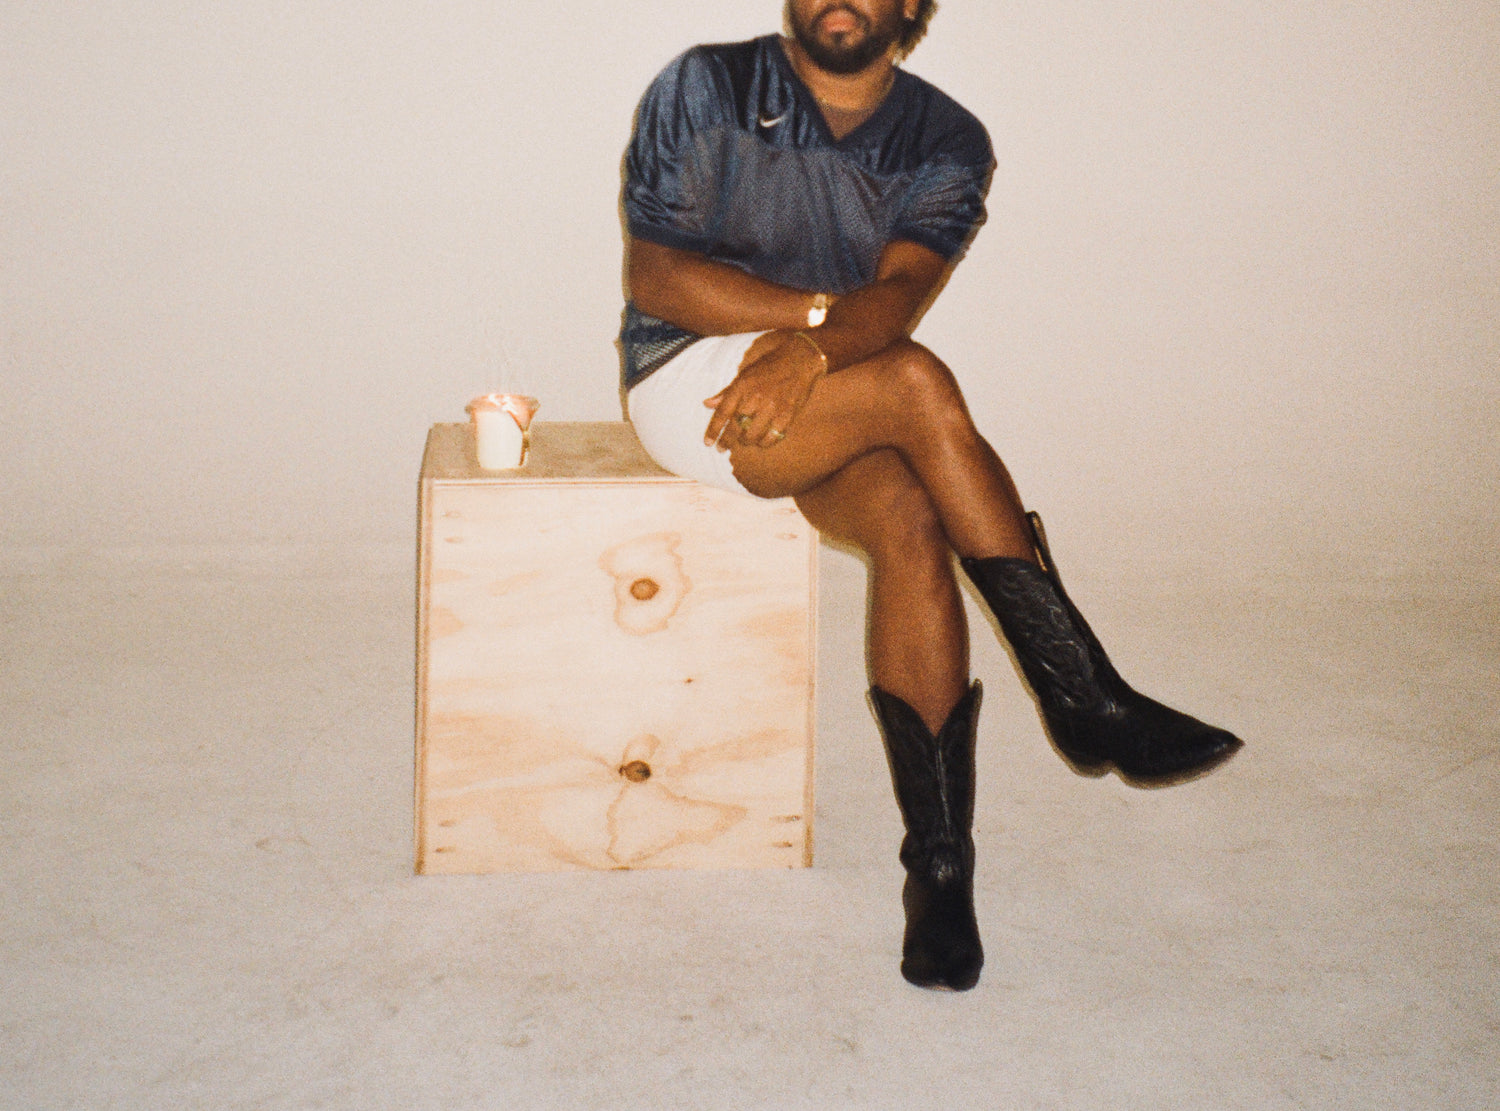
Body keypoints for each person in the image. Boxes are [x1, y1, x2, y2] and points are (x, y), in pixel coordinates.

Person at [618, 0, 1242, 992]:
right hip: (696, 383)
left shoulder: (948, 139)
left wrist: (815, 350)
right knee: (916, 381)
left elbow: (901, 296)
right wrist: (815, 325)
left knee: (913, 516)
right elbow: (660, 277)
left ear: (913, 7)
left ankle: (940, 872)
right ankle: (1082, 693)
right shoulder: (706, 86)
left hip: (838, 384)